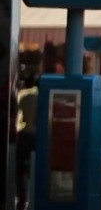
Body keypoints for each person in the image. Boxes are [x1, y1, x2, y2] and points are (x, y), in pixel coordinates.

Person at [15, 73, 38, 210]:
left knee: (20, 168)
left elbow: (20, 115)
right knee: (33, 168)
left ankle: (22, 197)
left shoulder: (24, 98)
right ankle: (33, 196)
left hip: (23, 134)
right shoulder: (40, 99)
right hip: (35, 135)